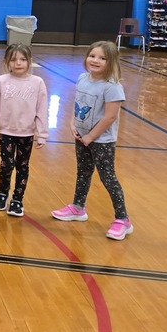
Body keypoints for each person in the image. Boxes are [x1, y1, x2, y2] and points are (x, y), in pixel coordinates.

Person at [51, 41, 133, 240]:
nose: (95, 61)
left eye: (102, 58)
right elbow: (78, 103)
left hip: (101, 140)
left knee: (108, 178)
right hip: (82, 136)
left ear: (111, 62)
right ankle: (78, 208)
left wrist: (91, 136)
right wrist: (72, 123)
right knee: (83, 172)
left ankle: (123, 219)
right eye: (92, 56)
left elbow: (110, 117)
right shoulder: (82, 78)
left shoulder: (112, 87)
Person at [0, 43, 48, 217]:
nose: (18, 63)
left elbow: (42, 109)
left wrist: (42, 134)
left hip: (26, 134)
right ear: (7, 62)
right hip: (6, 133)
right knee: (6, 165)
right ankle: (2, 193)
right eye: (13, 60)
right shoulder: (1, 81)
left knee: (22, 166)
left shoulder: (37, 83)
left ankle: (17, 199)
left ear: (29, 61)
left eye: (22, 59)